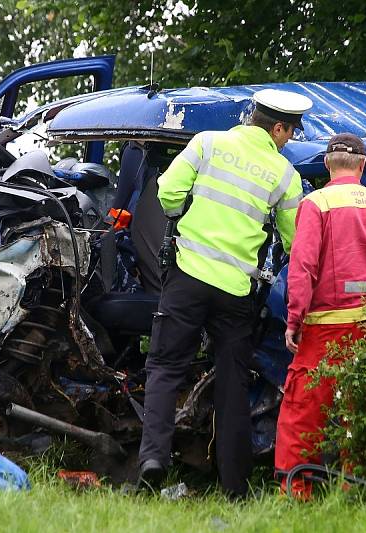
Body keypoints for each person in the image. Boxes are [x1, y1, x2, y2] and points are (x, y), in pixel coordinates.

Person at [137, 89, 313, 498]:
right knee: (233, 384)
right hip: (236, 292)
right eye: (289, 132)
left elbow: (167, 194)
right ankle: (235, 486)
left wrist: (182, 217)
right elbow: (294, 239)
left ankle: (153, 461)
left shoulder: (207, 142)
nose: (288, 140)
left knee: (164, 367)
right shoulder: (285, 175)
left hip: (187, 277)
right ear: (279, 127)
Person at [275, 133, 366, 499]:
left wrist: (294, 318)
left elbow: (302, 265)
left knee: (303, 410)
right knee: (361, 408)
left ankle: (295, 490)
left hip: (325, 327)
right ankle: (355, 489)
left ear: (328, 163)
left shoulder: (316, 203)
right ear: (362, 165)